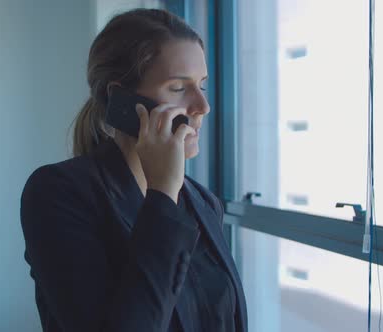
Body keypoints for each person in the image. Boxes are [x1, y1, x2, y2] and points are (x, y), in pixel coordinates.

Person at [20, 8, 248, 332]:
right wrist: (163, 195)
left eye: (202, 85)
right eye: (179, 88)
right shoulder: (58, 193)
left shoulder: (203, 203)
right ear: (122, 100)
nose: (202, 106)